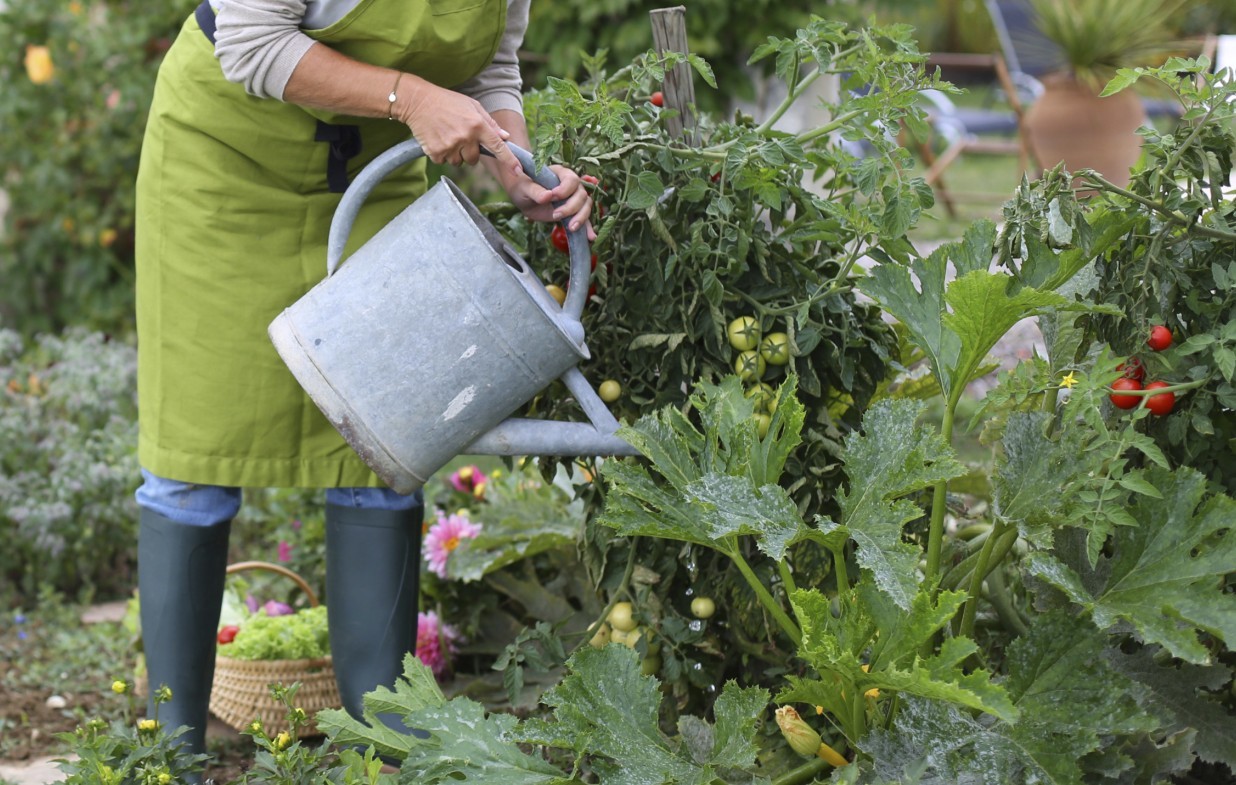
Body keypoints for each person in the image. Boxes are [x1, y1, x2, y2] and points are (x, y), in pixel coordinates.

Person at [133, 0, 594, 768]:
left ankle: (383, 749)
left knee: (385, 443)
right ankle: (167, 753)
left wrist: (514, 160)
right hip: (222, 168)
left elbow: (489, 63)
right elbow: (249, 41)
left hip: (371, 178)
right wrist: (411, 97)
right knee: (193, 461)